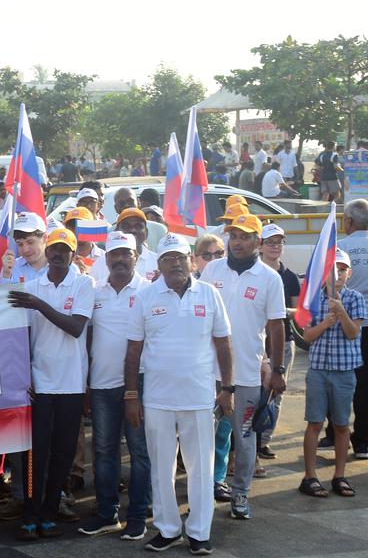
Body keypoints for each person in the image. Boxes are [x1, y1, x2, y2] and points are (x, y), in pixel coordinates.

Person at [125, 233, 233, 554]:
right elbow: (133, 351)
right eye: (168, 258)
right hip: (157, 398)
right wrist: (131, 394)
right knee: (161, 467)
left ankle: (199, 532)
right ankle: (168, 529)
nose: (175, 263)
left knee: (201, 467)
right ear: (158, 265)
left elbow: (224, 343)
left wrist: (227, 387)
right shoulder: (146, 297)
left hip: (200, 397)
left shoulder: (210, 294)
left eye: (180, 257)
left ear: (191, 260)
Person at [7, 228, 94, 542]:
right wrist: (24, 375)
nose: (57, 254)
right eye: (53, 248)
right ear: (47, 251)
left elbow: (74, 327)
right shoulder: (31, 287)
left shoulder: (84, 284)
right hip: (40, 384)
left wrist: (38, 305)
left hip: (71, 383)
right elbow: (21, 338)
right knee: (36, 455)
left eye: (64, 249)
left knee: (63, 453)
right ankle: (30, 513)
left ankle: (48, 510)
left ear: (73, 253)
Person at [200, 213, 286, 519]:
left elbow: (276, 328)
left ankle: (240, 495)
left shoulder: (269, 278)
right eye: (233, 236)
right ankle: (202, 494)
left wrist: (277, 369)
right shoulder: (212, 269)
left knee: (245, 436)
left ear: (258, 242)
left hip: (247, 374)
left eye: (245, 236)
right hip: (206, 373)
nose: (237, 242)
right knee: (202, 438)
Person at [77, 232, 151, 540]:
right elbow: (88, 337)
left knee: (139, 452)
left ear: (135, 257)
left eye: (126, 254)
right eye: (115, 254)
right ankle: (107, 514)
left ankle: (138, 515)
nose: (120, 259)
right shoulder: (95, 292)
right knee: (104, 451)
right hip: (103, 384)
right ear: (105, 259)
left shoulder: (149, 290)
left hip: (141, 384)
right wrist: (87, 381)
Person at [299, 249, 363, 499]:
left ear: (349, 273)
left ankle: (339, 475)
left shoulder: (356, 298)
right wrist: (325, 322)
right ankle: (310, 475)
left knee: (341, 424)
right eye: (332, 268)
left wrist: (341, 311)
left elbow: (352, 333)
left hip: (344, 372)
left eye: (342, 269)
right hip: (318, 371)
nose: (337, 273)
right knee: (314, 422)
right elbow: (306, 337)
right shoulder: (314, 299)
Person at [256, 225, 299, 462]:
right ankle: (249, 441)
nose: (275, 246)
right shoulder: (254, 272)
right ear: (260, 246)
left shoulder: (289, 276)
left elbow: (299, 313)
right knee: (256, 392)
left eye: (279, 242)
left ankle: (264, 441)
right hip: (258, 341)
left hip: (284, 341)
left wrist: (276, 310)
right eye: (270, 242)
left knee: (276, 393)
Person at [335, 198, 368, 459]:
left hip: (344, 326)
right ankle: (362, 442)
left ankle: (336, 435)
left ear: (348, 221)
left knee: (339, 381)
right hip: (362, 326)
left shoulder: (340, 249)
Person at [0, 212, 47, 285]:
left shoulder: (61, 266)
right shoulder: (11, 267)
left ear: (44, 238)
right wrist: (6, 274)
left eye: (30, 242)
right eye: (20, 244)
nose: (25, 250)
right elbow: (4, 295)